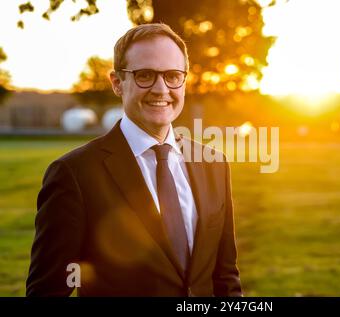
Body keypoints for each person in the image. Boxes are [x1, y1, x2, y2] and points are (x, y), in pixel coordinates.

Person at [26, 23, 242, 297]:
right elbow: (48, 290)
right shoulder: (74, 174)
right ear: (117, 83)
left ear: (184, 81)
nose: (161, 89)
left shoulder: (214, 164)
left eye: (173, 75)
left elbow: (225, 277)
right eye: (145, 75)